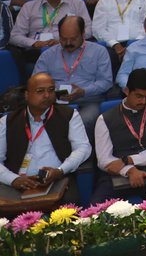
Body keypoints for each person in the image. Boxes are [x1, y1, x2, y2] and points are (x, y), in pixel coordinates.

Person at [0, 72, 90, 202]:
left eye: (51, 90)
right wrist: (13, 179)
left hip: (57, 180)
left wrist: (60, 170)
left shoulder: (69, 115)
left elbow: (83, 148)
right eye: (40, 91)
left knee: (70, 205)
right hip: (18, 183)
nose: (47, 95)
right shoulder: (7, 121)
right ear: (27, 95)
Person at [92, 67, 146, 202]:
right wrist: (130, 170)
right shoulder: (104, 119)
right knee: (96, 207)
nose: (144, 101)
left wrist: (129, 160)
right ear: (126, 91)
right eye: (139, 96)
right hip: (117, 174)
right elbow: (103, 160)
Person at [33, 15, 112, 130]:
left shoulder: (99, 52)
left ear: (83, 34)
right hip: (54, 103)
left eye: (73, 39)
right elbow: (36, 82)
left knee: (84, 121)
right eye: (64, 39)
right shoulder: (48, 55)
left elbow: (106, 81)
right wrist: (51, 92)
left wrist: (84, 91)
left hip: (88, 101)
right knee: (49, 121)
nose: (68, 43)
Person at [9, 0, 91, 71]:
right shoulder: (29, 7)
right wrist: (34, 43)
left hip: (68, 49)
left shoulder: (77, 4)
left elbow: (88, 31)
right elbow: (14, 36)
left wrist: (64, 41)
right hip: (37, 53)